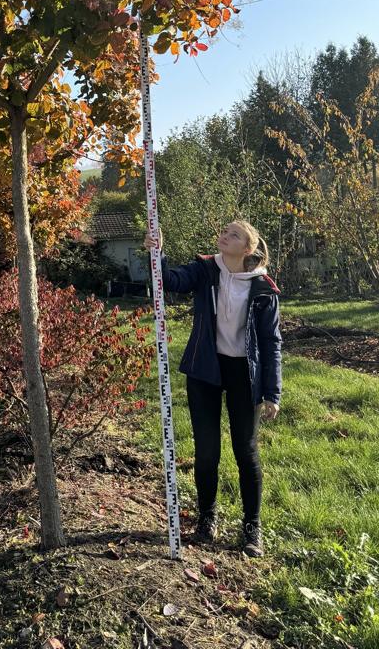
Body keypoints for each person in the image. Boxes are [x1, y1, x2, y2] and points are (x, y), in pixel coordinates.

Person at [144, 220, 282, 558]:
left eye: (234, 234)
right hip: (205, 367)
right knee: (206, 451)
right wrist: (156, 252)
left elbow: (271, 342)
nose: (225, 234)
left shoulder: (263, 288)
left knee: (245, 451)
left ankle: (252, 528)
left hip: (243, 374)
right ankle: (207, 518)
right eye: (224, 230)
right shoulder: (206, 270)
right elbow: (169, 282)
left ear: (249, 248)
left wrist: (272, 392)